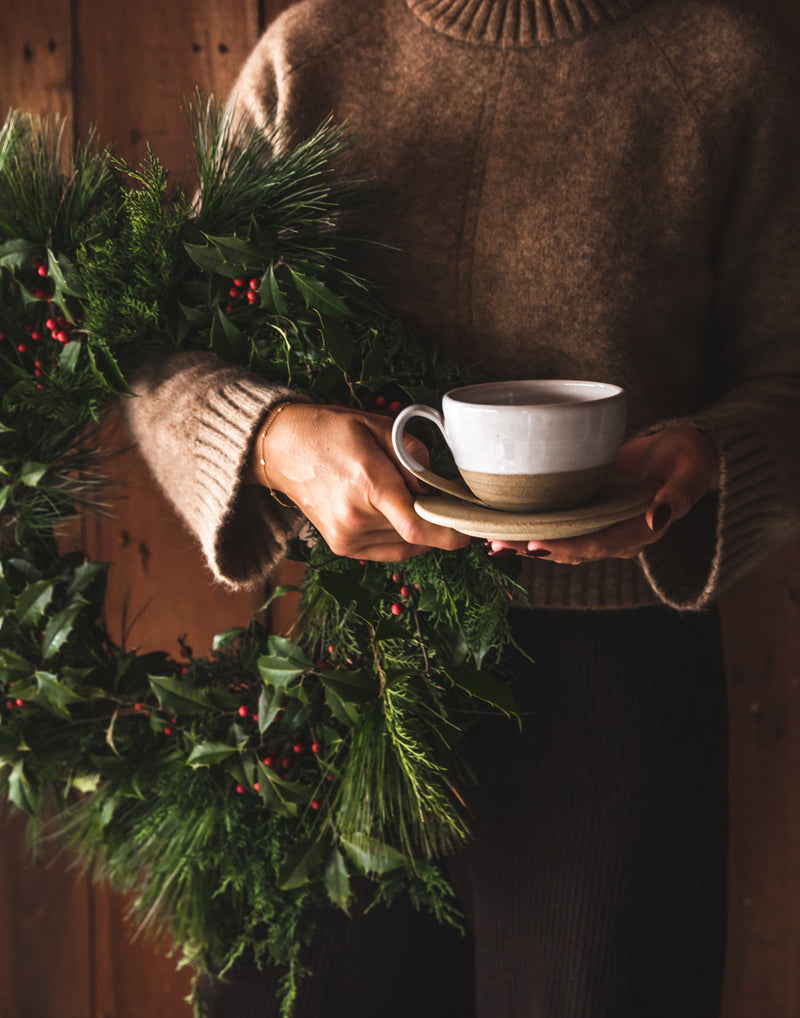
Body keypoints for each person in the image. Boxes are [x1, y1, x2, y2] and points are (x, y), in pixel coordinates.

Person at [121, 0, 800, 1015]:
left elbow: (788, 374)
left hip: (619, 697)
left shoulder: (728, 65)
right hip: (349, 673)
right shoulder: (310, 55)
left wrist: (703, 459)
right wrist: (270, 439)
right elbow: (161, 354)